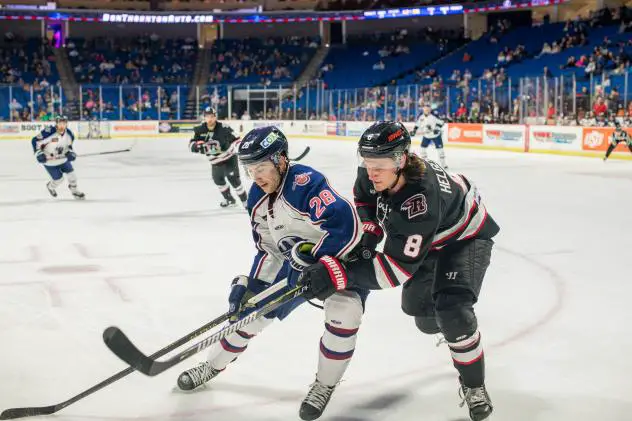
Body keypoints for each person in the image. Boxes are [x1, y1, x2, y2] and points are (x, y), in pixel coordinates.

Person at [299, 121, 500, 421]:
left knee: (452, 313)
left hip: (465, 237)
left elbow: (393, 271)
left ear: (401, 160)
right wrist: (369, 227)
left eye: (379, 164)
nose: (372, 172)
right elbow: (363, 196)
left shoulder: (420, 202)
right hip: (430, 238)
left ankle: (475, 386)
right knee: (419, 313)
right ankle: (450, 321)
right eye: (367, 162)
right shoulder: (375, 172)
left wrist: (339, 274)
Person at [177, 126, 369, 421]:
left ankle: (324, 385)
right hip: (296, 268)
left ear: (280, 160)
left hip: (339, 264)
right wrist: (253, 285)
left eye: (262, 167)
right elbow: (268, 249)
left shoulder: (306, 183)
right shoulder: (257, 198)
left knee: (345, 313)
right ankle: (212, 366)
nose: (256, 176)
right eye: (250, 169)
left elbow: (348, 227)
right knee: (251, 314)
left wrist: (318, 263)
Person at [189, 106, 247, 208]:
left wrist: (238, 148)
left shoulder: (224, 128)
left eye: (212, 116)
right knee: (218, 180)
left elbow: (237, 140)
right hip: (215, 160)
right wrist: (197, 147)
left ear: (215, 117)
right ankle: (229, 199)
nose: (210, 119)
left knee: (233, 178)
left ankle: (245, 201)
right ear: (204, 117)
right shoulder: (198, 129)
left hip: (229, 158)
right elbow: (191, 144)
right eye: (207, 116)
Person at [31, 115, 85, 200]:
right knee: (59, 180)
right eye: (60, 123)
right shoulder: (49, 131)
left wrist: (71, 153)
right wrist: (39, 153)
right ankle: (50, 187)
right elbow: (35, 140)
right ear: (56, 123)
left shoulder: (69, 134)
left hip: (63, 159)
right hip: (50, 161)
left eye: (64, 123)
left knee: (72, 176)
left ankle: (74, 191)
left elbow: (69, 147)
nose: (62, 125)